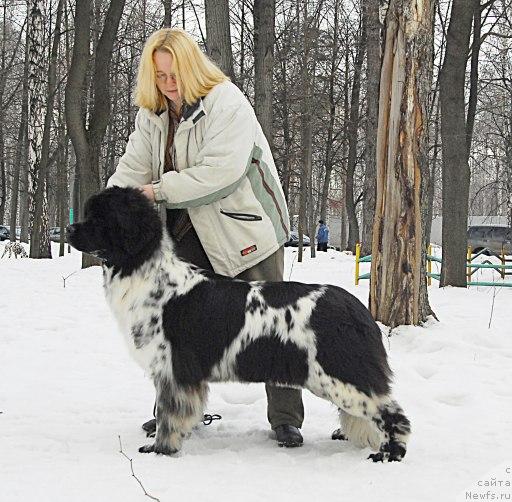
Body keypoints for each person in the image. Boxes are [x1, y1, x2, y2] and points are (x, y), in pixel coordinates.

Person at [107, 28, 304, 447]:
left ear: (192, 65)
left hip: (244, 226)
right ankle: (177, 411)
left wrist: (156, 191)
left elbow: (220, 175)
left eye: (174, 74)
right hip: (189, 228)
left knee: (274, 321)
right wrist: (109, 207)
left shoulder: (227, 102)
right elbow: (132, 167)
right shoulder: (153, 114)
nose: (169, 84)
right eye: (159, 76)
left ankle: (285, 417)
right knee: (179, 324)